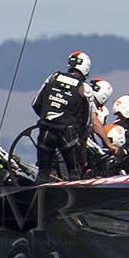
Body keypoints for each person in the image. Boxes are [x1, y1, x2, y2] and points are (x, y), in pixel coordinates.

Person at [31, 50, 95, 181]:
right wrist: (81, 136)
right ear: (86, 68)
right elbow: (88, 122)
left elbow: (35, 103)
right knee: (75, 174)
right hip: (67, 134)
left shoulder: (53, 77)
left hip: (45, 130)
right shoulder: (85, 88)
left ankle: (38, 198)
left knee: (43, 174)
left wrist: (46, 118)